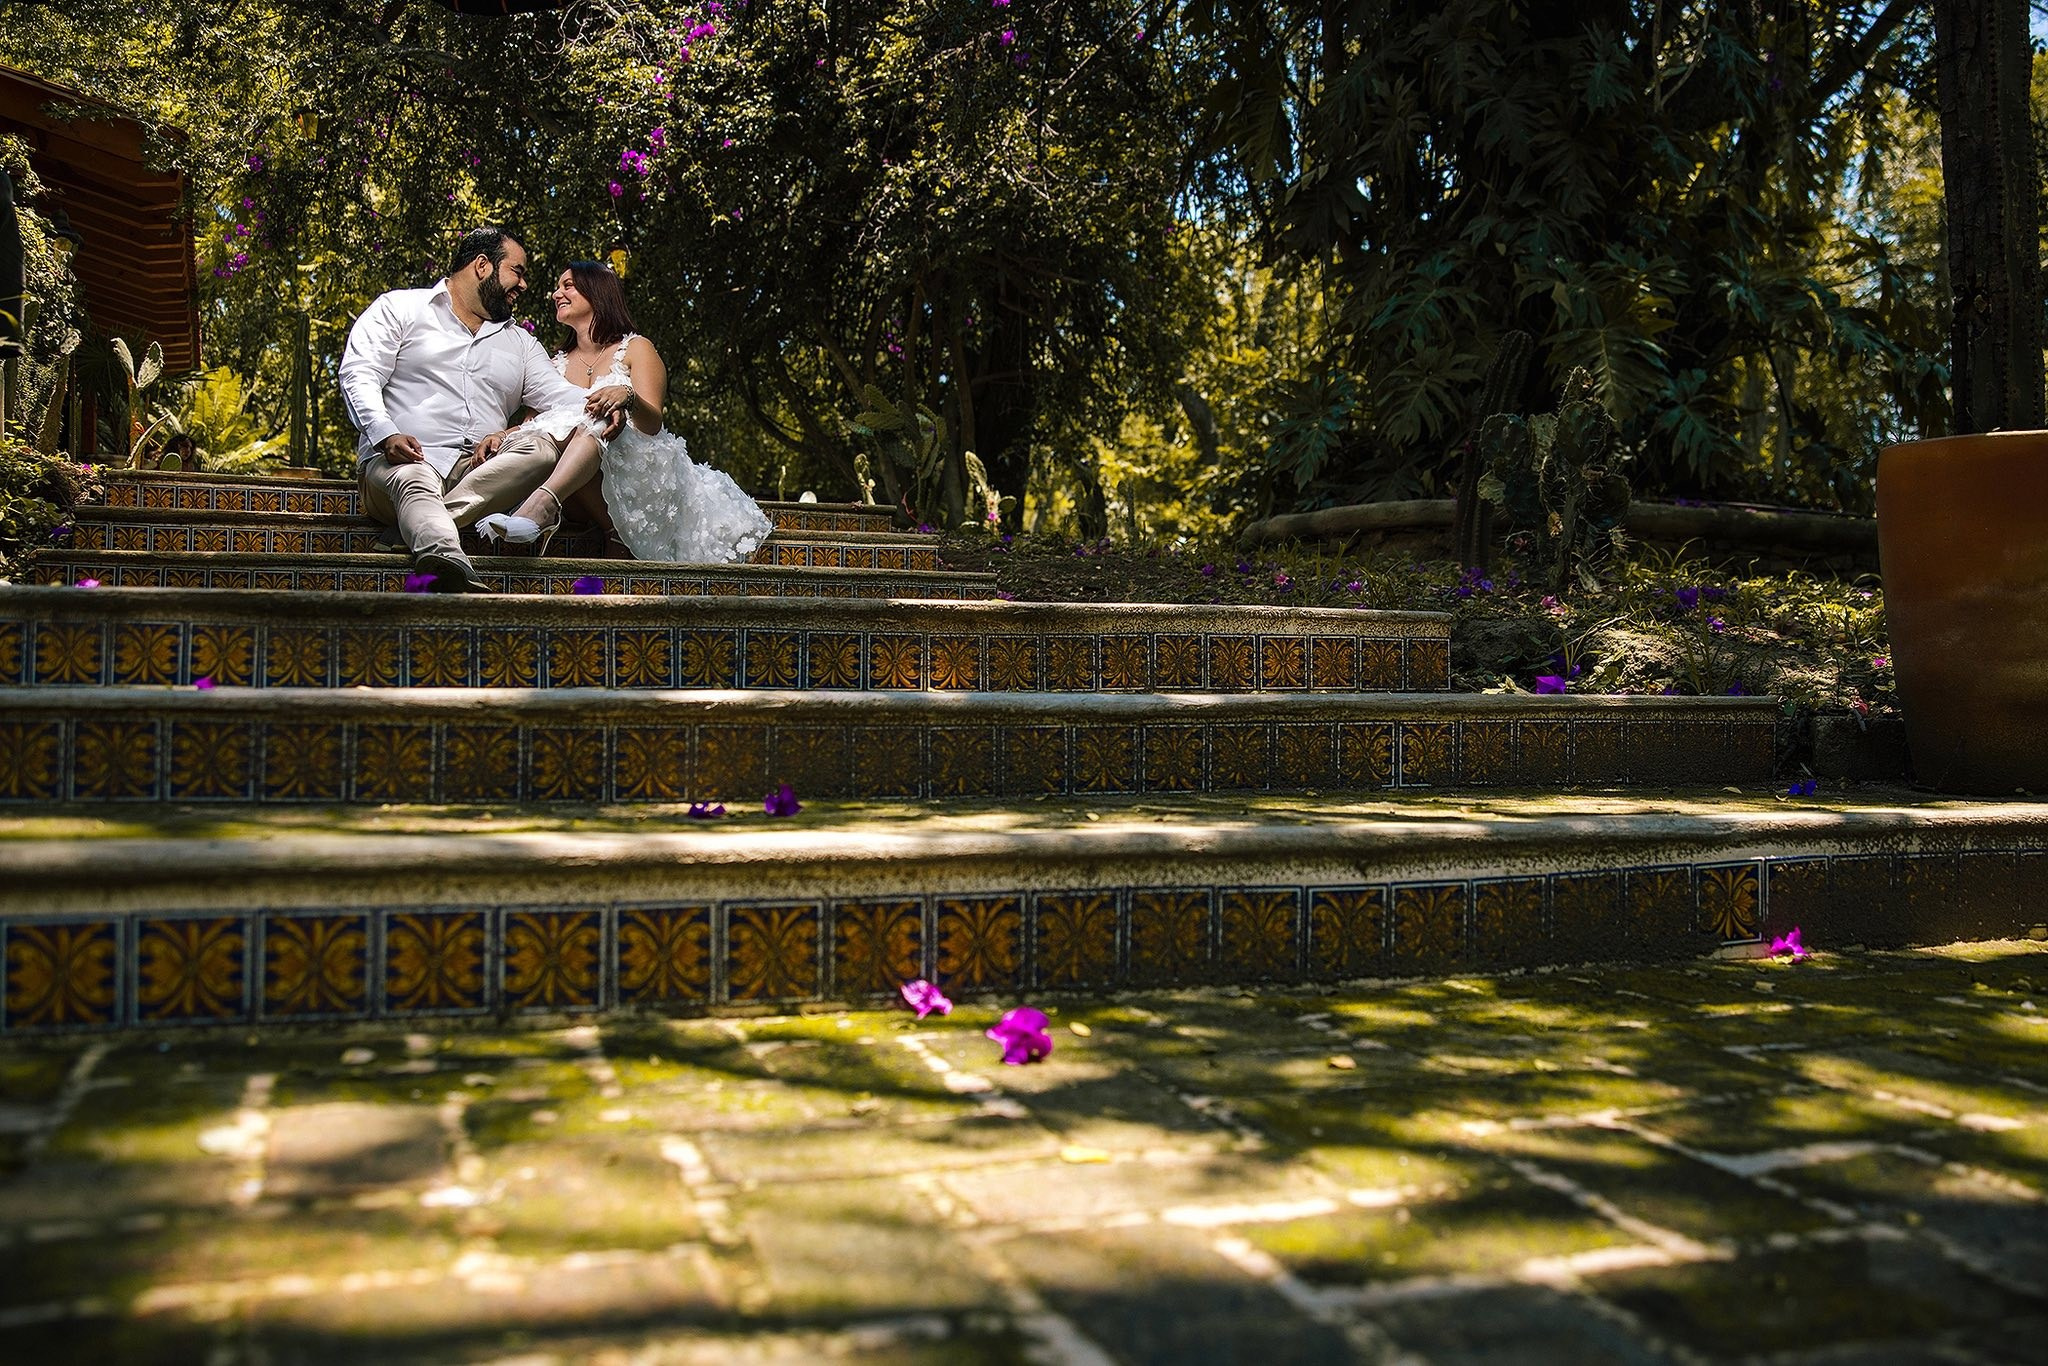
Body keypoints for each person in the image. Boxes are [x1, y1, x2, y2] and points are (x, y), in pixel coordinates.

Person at [337, 226, 618, 592]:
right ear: (483, 266)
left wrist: (614, 397)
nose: (524, 285)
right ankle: (449, 562)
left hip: (483, 472)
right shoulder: (399, 308)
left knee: (542, 448)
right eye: (517, 271)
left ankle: (416, 529)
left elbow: (560, 397)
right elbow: (359, 374)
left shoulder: (521, 343)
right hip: (397, 465)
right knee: (414, 478)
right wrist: (385, 433)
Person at [476, 261, 771, 563]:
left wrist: (627, 396)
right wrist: (501, 434)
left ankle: (557, 510)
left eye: (568, 285)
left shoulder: (636, 348)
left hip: (638, 473)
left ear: (598, 292)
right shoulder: (554, 364)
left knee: (599, 418)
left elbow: (652, 423)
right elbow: (535, 425)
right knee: (560, 431)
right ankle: (561, 511)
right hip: (577, 476)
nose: (556, 294)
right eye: (557, 287)